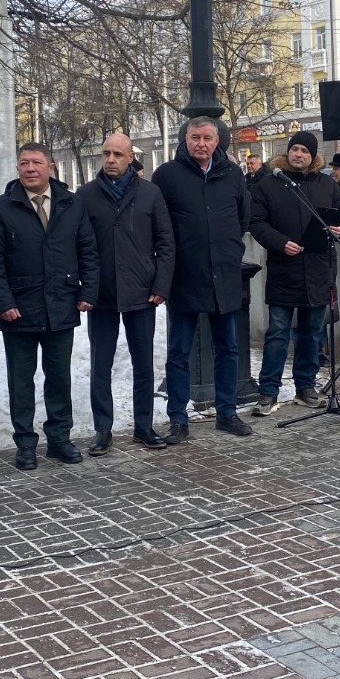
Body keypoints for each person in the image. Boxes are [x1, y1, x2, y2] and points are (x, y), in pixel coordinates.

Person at [0, 142, 98, 468]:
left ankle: (59, 439)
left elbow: (88, 250)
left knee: (59, 377)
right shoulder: (2, 208)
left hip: (61, 305)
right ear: (17, 169)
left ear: (51, 167)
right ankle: (25, 444)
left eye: (36, 162)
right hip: (18, 309)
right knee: (21, 381)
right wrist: (3, 302)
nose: (30, 168)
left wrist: (87, 292)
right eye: (23, 163)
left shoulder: (72, 204)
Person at [152, 117, 253, 439]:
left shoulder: (232, 174)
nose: (201, 144)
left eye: (207, 138)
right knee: (179, 352)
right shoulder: (167, 175)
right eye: (195, 137)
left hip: (224, 274)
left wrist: (230, 249)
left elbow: (242, 217)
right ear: (185, 139)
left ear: (216, 141)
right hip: (184, 274)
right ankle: (178, 419)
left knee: (228, 348)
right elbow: (158, 225)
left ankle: (227, 413)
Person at [77, 133, 174, 452]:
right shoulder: (86, 195)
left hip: (141, 293)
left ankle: (144, 425)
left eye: (117, 154)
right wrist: (84, 287)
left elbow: (166, 243)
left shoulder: (150, 193)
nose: (110, 160)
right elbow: (77, 245)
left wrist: (160, 285)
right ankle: (102, 429)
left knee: (144, 363)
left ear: (130, 157)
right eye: (105, 153)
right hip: (101, 294)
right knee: (100, 365)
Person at [248, 132, 340, 415]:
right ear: (288, 152)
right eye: (295, 149)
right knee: (278, 332)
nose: (299, 154)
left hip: (318, 268)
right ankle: (268, 391)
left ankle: (305, 386)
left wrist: (339, 228)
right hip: (285, 268)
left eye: (305, 150)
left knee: (312, 331)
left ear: (313, 156)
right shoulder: (270, 184)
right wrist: (280, 242)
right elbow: (256, 222)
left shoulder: (327, 183)